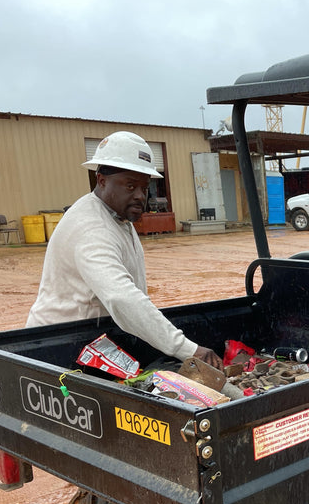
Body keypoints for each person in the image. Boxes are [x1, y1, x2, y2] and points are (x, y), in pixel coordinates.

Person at [27, 131, 223, 369]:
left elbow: (134, 295)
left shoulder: (118, 218)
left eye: (145, 187)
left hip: (93, 341)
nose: (140, 196)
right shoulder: (91, 226)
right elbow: (122, 297)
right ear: (101, 180)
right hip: (58, 348)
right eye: (130, 185)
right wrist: (189, 350)